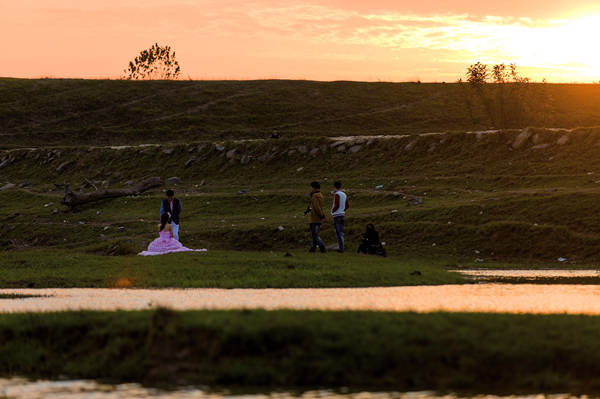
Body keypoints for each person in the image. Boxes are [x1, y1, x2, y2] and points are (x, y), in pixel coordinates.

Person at [138, 213, 206, 256]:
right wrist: (171, 237)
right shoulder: (169, 225)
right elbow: (171, 235)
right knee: (177, 247)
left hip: (160, 239)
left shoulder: (159, 225)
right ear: (168, 219)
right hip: (168, 239)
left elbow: (160, 233)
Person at [306, 181, 326, 253]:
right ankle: (313, 248)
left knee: (315, 235)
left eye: (311, 187)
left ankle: (322, 247)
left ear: (314, 188)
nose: (310, 189)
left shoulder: (314, 196)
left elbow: (316, 207)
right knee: (315, 234)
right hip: (318, 218)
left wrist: (321, 214)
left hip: (315, 218)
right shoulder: (320, 195)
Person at [331, 181, 349, 253]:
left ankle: (341, 248)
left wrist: (333, 210)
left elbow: (337, 204)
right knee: (341, 232)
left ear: (335, 187)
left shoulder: (337, 194)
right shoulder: (344, 194)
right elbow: (347, 206)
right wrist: (343, 210)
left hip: (337, 215)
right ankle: (342, 247)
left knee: (338, 232)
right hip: (342, 214)